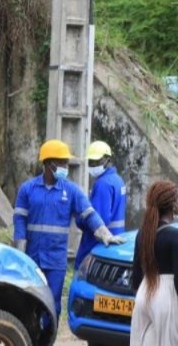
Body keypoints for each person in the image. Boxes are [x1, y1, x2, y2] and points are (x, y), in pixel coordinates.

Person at [13, 139, 124, 319]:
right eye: (62, 162)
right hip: (32, 259)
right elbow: (19, 221)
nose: (66, 166)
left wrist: (105, 234)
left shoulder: (71, 191)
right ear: (49, 164)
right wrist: (19, 254)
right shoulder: (28, 189)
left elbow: (89, 214)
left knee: (53, 306)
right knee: (27, 303)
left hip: (56, 260)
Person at [130, 180, 178, 345]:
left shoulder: (142, 233)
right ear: (173, 205)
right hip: (167, 298)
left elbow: (136, 275)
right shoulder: (174, 236)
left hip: (144, 294)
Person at [73, 140, 127, 268]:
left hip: (97, 242)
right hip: (116, 237)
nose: (93, 165)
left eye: (97, 161)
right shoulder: (118, 180)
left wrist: (80, 218)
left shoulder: (103, 184)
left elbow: (99, 219)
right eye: (91, 162)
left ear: (108, 160)